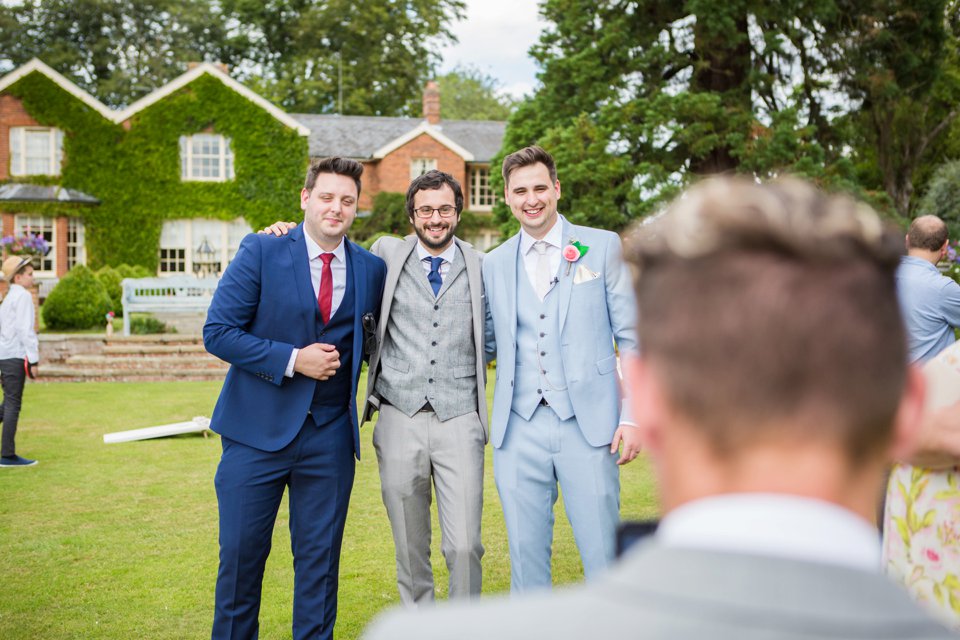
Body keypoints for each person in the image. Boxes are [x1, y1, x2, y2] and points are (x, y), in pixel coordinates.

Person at [363, 177, 954, 640]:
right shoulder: (479, 260)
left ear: (647, 395)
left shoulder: (408, 635)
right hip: (507, 421)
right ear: (909, 410)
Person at [263, 169, 489, 605]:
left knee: (464, 545)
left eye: (444, 209)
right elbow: (326, 244)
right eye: (425, 210)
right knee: (409, 544)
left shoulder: (483, 264)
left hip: (460, 418)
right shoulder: (384, 254)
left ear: (458, 212)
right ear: (412, 215)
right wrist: (284, 232)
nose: (435, 218)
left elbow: (494, 336)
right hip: (398, 416)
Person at [203, 157, 386, 640]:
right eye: (326, 197)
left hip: (328, 439)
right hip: (253, 436)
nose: (336, 208)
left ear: (356, 207)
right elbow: (218, 332)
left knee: (320, 569)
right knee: (241, 563)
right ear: (305, 199)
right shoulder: (262, 250)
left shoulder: (371, 268)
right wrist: (292, 359)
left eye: (347, 200)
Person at [482, 145, 640, 592]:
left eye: (539, 188)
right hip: (518, 427)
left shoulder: (601, 246)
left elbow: (632, 336)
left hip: (589, 426)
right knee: (525, 565)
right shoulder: (493, 263)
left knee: (605, 557)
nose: (531, 199)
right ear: (508, 199)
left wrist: (632, 416)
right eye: (520, 191)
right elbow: (484, 340)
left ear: (556, 189)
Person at [895, 215, 960, 364]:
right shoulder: (944, 289)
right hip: (930, 384)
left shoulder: (883, 276)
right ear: (945, 247)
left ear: (907, 240)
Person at [0, 255, 39, 468]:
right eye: (30, 274)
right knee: (13, 404)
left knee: (8, 403)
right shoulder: (22, 296)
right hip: (14, 356)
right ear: (18, 278)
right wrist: (34, 360)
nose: (33, 278)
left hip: (4, 355)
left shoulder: (8, 298)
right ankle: (7, 455)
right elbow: (26, 331)